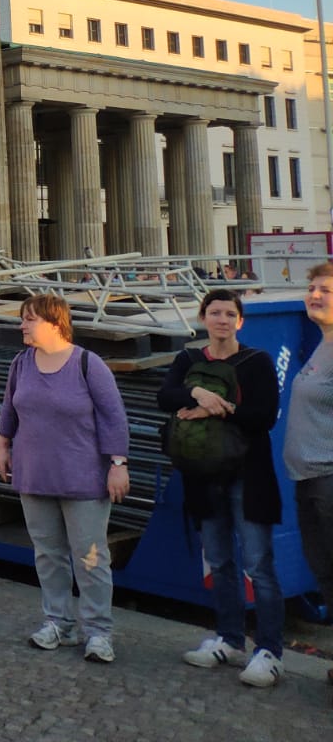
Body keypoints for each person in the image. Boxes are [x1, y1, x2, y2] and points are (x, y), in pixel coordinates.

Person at [158, 288, 285, 687]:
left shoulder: (258, 362)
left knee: (258, 566)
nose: (222, 320)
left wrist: (219, 409)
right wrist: (198, 392)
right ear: (202, 318)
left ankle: (270, 651)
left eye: (230, 314)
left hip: (249, 476)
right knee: (219, 561)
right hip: (204, 476)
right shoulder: (188, 359)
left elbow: (264, 415)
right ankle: (230, 639)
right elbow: (165, 395)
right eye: (215, 313)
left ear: (240, 322)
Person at [0, 293, 129, 663]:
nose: (22, 325)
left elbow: (113, 417)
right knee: (48, 554)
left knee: (90, 558)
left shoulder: (88, 364)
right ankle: (58, 623)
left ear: (55, 323)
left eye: (29, 319)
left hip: (83, 479)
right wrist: (2, 446)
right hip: (34, 475)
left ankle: (99, 632)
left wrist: (118, 462)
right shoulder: (21, 364)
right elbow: (9, 408)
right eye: (22, 318)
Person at [287, 263, 333, 688]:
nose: (315, 294)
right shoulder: (324, 345)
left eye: (326, 290)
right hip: (310, 481)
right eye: (312, 287)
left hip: (327, 481)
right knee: (326, 576)